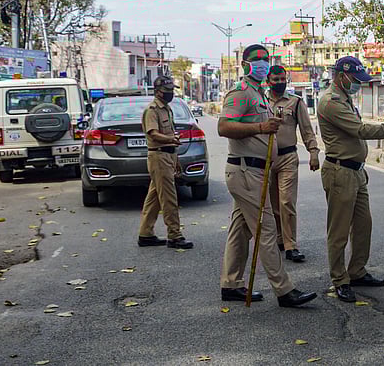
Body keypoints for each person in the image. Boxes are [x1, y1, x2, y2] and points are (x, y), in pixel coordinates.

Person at [317, 56, 384, 303]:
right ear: (341, 76)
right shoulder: (331, 102)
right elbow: (361, 131)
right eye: (355, 80)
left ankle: (357, 271)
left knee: (363, 225)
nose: (357, 85)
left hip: (355, 172)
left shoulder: (344, 98)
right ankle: (340, 279)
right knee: (339, 231)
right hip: (340, 172)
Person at [217, 44, 317, 308]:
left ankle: (231, 283)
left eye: (265, 59)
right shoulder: (240, 93)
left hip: (255, 171)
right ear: (244, 64)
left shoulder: (258, 93)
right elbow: (224, 126)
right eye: (256, 60)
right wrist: (261, 126)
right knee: (267, 229)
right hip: (245, 170)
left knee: (241, 231)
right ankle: (284, 290)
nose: (262, 63)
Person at [266, 65, 321, 263]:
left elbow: (307, 130)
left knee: (287, 202)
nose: (280, 82)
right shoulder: (261, 102)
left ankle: (291, 246)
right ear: (268, 81)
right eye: (276, 79)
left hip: (288, 157)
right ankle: (279, 239)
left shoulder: (295, 103)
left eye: (283, 79)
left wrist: (313, 152)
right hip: (266, 160)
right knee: (272, 205)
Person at [137, 76, 193, 250]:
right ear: (157, 91)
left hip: (167, 156)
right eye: (167, 91)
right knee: (169, 198)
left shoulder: (167, 109)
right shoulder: (152, 110)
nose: (170, 94)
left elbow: (169, 137)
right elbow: (153, 133)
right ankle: (175, 236)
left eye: (171, 90)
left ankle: (145, 234)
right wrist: (170, 140)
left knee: (154, 198)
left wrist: (175, 159)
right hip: (158, 157)